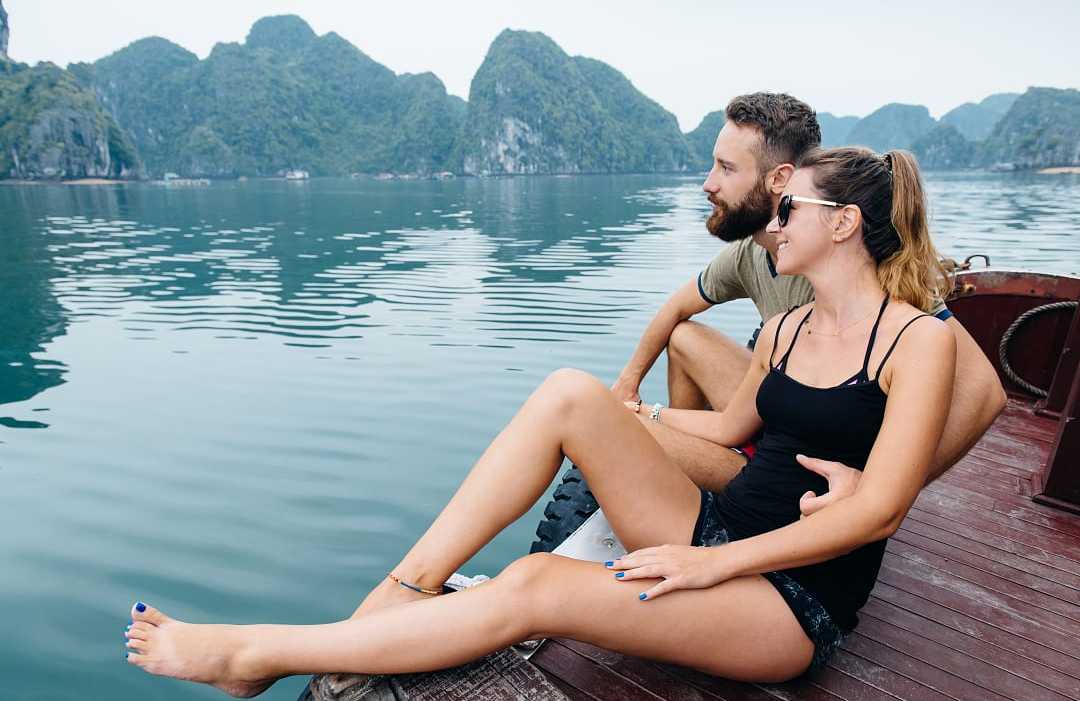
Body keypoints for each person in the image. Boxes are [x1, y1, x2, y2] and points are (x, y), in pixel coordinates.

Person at [124, 145, 962, 695]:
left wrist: (713, 566)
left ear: (843, 224)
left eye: (790, 210)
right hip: (718, 528)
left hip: (786, 600)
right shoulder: (786, 326)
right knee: (570, 391)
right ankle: (406, 586)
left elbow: (882, 508)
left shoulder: (916, 340)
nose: (772, 224)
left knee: (533, 587)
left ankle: (259, 653)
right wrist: (629, 421)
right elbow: (730, 431)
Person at [611, 93, 1005, 514]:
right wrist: (628, 387)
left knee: (604, 424)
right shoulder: (752, 255)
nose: (708, 184)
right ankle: (686, 476)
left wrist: (879, 490)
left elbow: (983, 393)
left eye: (726, 168)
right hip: (778, 415)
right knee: (684, 337)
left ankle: (699, 477)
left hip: (815, 454)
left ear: (779, 178)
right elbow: (675, 308)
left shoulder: (866, 271)